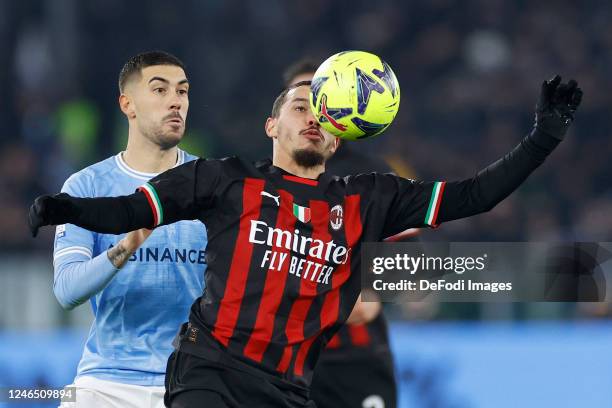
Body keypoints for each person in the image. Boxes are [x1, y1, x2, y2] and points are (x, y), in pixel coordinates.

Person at [30, 75, 582, 408]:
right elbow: (133, 207)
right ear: (272, 127)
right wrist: (69, 208)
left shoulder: (369, 200)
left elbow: (475, 196)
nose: (313, 117)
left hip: (289, 389)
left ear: (341, 135)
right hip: (210, 370)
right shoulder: (224, 181)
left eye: (324, 112)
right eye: (300, 106)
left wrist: (543, 138)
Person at [53, 51, 206, 408]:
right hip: (107, 384)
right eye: (159, 90)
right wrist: (129, 243)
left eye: (182, 92)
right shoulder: (85, 187)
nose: (175, 102)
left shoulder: (211, 186)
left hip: (193, 381)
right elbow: (67, 289)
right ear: (128, 104)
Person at [284, 58, 399, 408]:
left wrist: (371, 288)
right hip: (285, 363)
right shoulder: (269, 178)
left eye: (318, 97)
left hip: (356, 359)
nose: (311, 111)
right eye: (299, 102)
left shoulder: (373, 175)